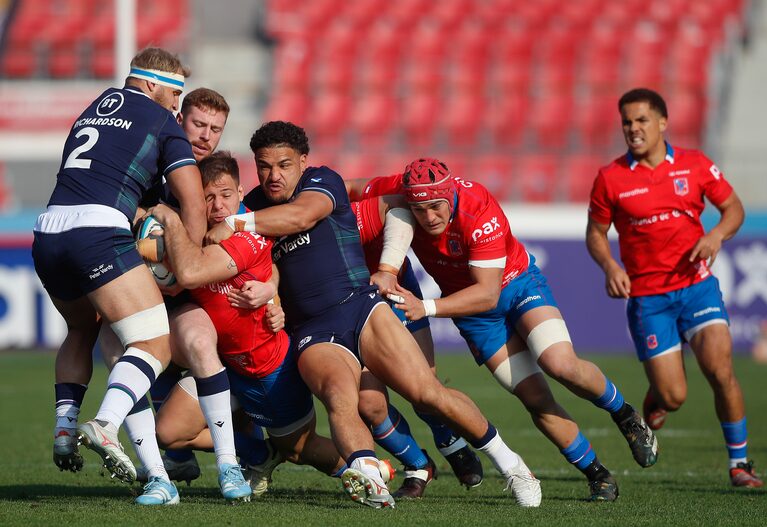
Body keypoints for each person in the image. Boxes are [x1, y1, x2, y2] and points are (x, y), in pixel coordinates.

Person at [206, 121, 542, 508]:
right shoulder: (253, 206)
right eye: (264, 166)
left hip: (361, 308)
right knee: (341, 399)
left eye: (283, 164)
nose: (273, 175)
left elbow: (302, 217)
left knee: (427, 393)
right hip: (312, 331)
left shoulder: (322, 182)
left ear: (302, 161)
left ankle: (512, 464)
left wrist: (386, 266)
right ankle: (369, 476)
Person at [362, 158, 659, 502]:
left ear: (450, 194)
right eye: (419, 209)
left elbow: (487, 293)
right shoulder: (401, 189)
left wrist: (426, 306)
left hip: (516, 286)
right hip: (474, 315)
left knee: (559, 363)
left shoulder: (477, 208)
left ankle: (624, 414)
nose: (428, 217)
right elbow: (351, 189)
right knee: (534, 398)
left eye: (435, 207)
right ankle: (597, 473)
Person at [34, 47, 206, 505]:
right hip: (96, 231)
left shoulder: (93, 110)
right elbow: (192, 202)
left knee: (80, 328)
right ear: (151, 85)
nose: (177, 104)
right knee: (153, 345)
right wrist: (188, 265)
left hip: (49, 231)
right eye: (173, 93)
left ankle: (66, 427)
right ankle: (106, 424)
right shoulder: (162, 121)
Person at [585, 87, 763, 488]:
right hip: (649, 300)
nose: (633, 128)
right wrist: (610, 264)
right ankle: (656, 400)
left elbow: (734, 209)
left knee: (720, 370)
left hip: (696, 287)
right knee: (674, 397)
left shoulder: (695, 165)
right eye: (627, 122)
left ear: (663, 123)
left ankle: (740, 464)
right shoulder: (610, 178)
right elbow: (595, 233)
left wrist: (716, 236)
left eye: (642, 120)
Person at [149, 151, 352, 496]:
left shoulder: (249, 232)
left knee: (302, 450)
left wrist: (168, 221)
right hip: (225, 368)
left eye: (225, 195)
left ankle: (364, 471)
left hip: (270, 371)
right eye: (207, 197)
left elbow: (190, 272)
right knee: (168, 433)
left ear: (241, 193)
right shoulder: (197, 234)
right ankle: (258, 452)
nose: (217, 206)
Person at [92, 87, 252, 503]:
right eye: (198, 124)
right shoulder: (146, 172)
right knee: (113, 350)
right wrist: (144, 221)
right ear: (178, 119)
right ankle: (158, 478)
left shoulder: (213, 179)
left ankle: (231, 467)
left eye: (216, 129)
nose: (206, 136)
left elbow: (229, 236)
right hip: (135, 292)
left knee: (199, 340)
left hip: (184, 300)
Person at [351, 194, 484, 498]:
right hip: (354, 311)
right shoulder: (294, 220)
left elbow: (400, 201)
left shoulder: (359, 207)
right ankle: (418, 465)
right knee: (370, 404)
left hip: (396, 293)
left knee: (424, 388)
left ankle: (452, 443)